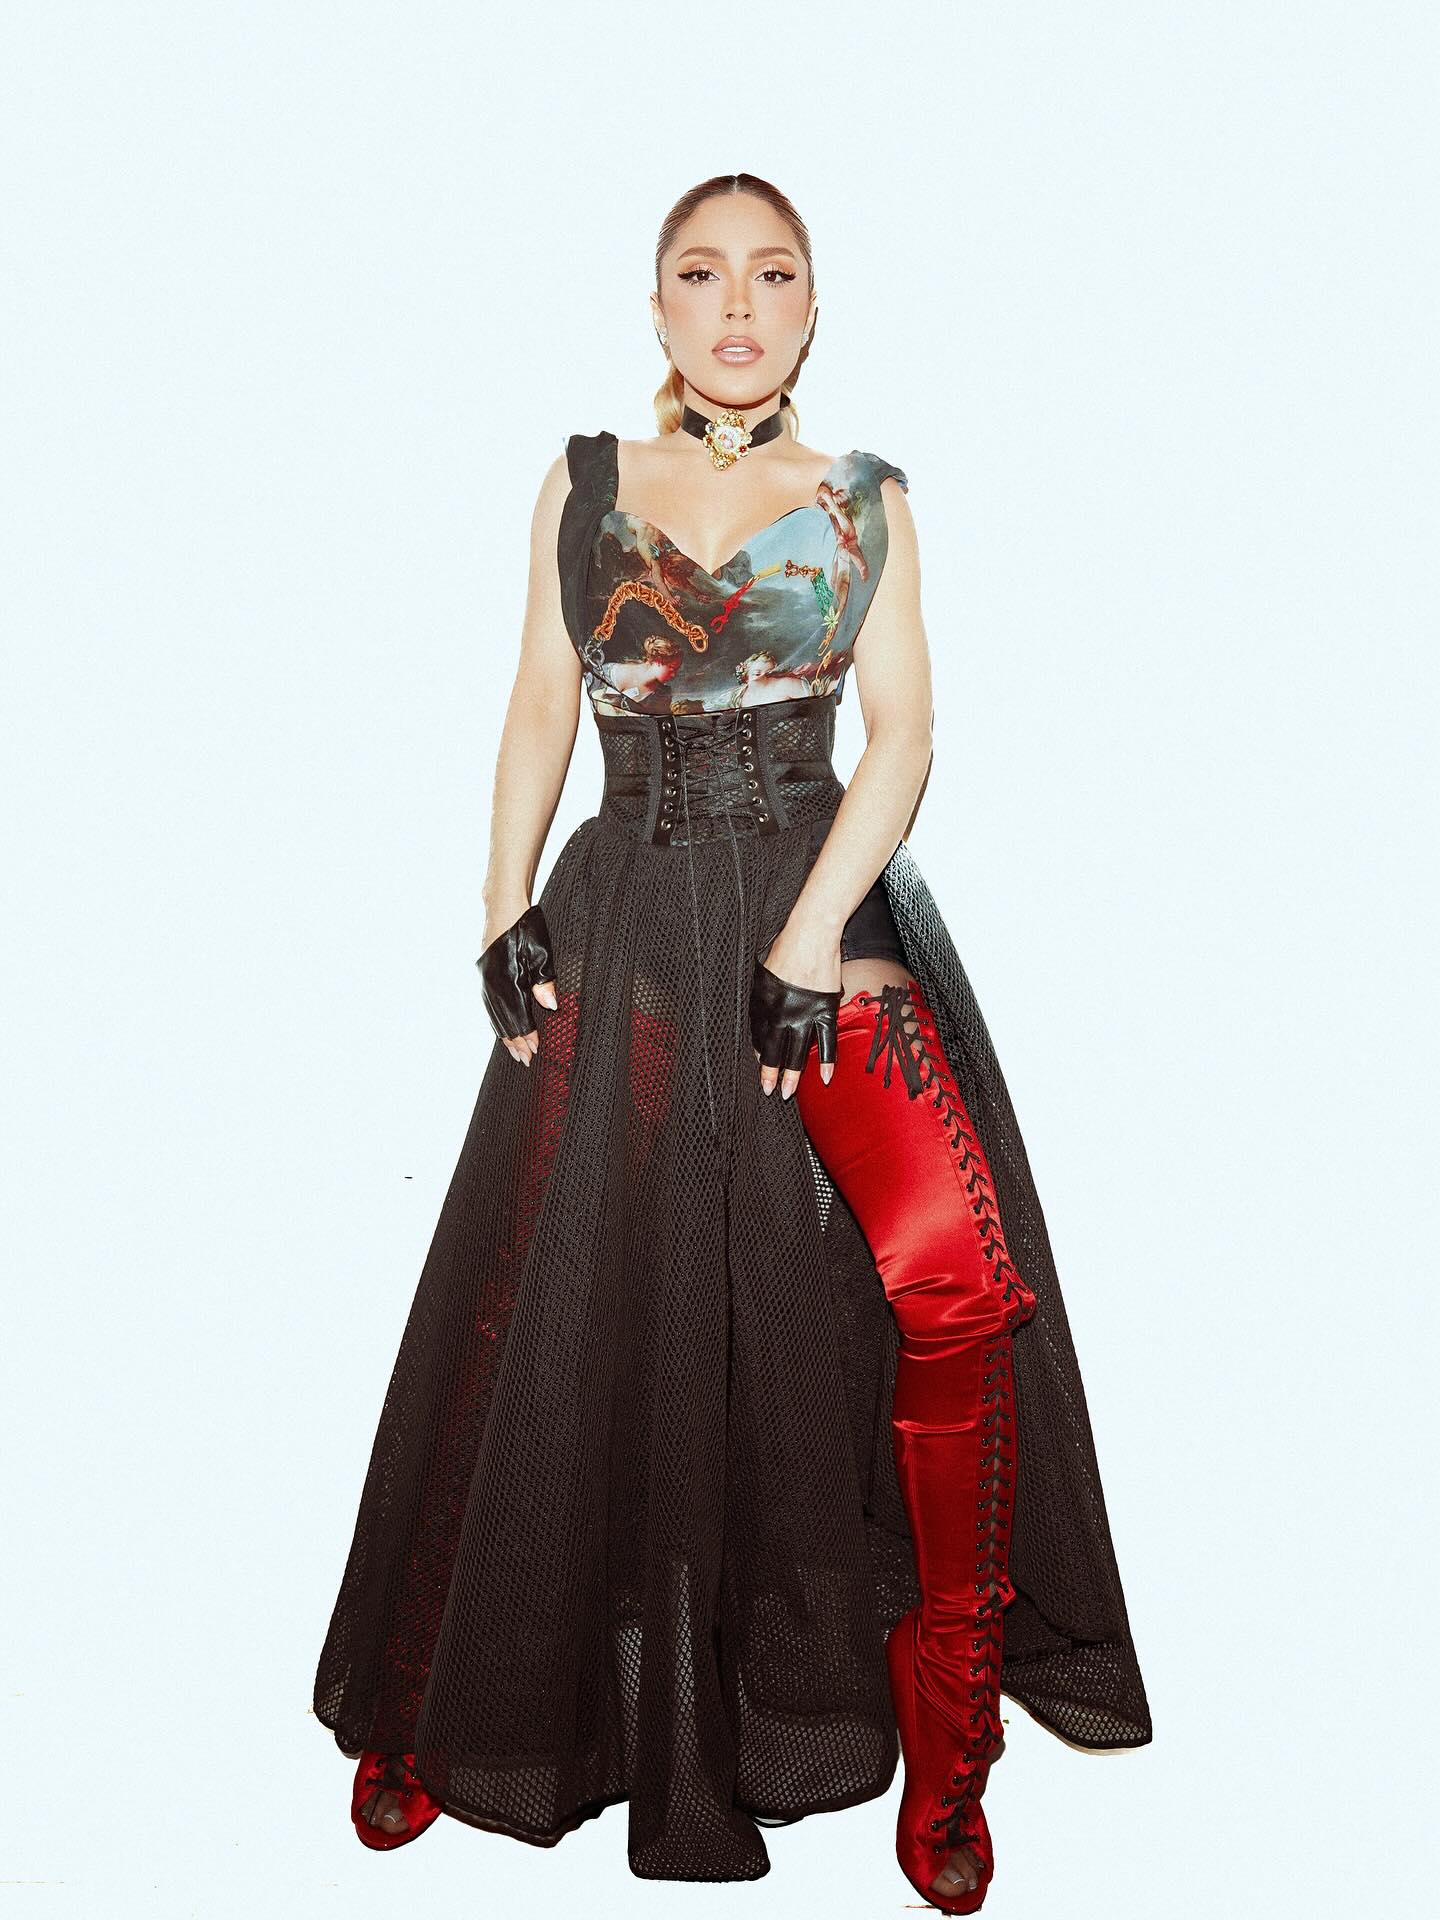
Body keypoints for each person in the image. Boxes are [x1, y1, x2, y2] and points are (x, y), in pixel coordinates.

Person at [314, 172, 1153, 1912]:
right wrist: (499, 901)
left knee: (932, 1288)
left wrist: (809, 938)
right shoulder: (585, 483)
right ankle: (454, 1698)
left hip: (820, 918)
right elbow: (539, 701)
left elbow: (904, 739)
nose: (739, 303)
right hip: (624, 919)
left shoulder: (865, 502)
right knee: (558, 1293)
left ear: (813, 309)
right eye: (703, 274)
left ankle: (946, 1741)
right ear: (659, 308)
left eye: (774, 274)